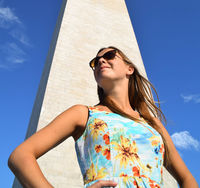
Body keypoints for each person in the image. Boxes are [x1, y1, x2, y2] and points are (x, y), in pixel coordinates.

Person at [8, 46, 198, 188]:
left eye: (108, 56)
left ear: (129, 69)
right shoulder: (83, 113)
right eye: (95, 61)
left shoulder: (151, 123)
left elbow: (187, 178)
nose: (100, 61)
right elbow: (20, 156)